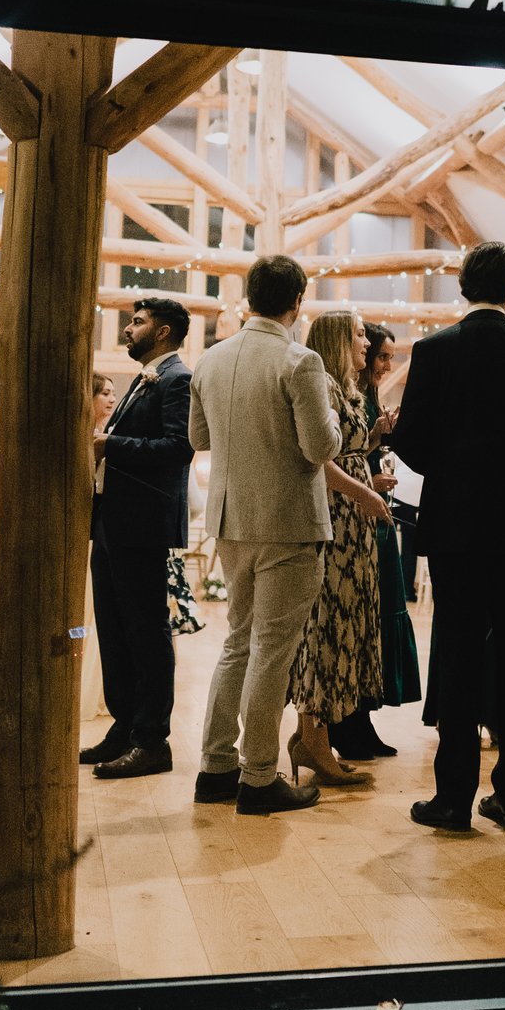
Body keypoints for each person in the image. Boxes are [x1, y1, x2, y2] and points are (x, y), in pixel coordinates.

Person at [392, 242, 505, 832]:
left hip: (456, 523)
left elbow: (411, 442)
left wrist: (453, 464)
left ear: (463, 285)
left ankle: (452, 799)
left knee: (461, 651)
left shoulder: (434, 350)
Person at [187, 254, 340, 817]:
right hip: (288, 524)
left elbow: (199, 438)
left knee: (237, 642)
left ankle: (215, 766)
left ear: (249, 297)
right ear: (297, 301)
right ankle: (257, 777)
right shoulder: (299, 360)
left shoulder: (209, 359)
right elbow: (320, 448)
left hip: (230, 521)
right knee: (272, 652)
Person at [84, 295, 194, 780]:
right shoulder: (143, 378)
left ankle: (152, 741)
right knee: (113, 629)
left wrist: (111, 443)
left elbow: (179, 448)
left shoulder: (178, 379)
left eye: (138, 322)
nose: (129, 329)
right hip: (113, 523)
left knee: (147, 634)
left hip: (144, 525)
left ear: (164, 331)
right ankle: (123, 725)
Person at [286, 311, 390, 787]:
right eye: (359, 334)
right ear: (337, 339)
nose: (367, 342)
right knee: (325, 630)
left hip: (354, 527)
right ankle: (313, 740)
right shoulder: (323, 385)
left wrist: (376, 442)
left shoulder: (345, 388)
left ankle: (315, 739)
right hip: (337, 520)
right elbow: (318, 460)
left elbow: (347, 452)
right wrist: (365, 493)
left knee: (344, 624)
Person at [331, 320, 417, 761]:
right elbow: (338, 454)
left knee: (375, 614)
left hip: (373, 512)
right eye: (378, 353)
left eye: (386, 355)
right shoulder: (346, 394)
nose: (383, 362)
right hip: (353, 513)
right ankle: (350, 723)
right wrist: (371, 473)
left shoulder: (367, 395)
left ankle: (362, 718)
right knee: (365, 613)